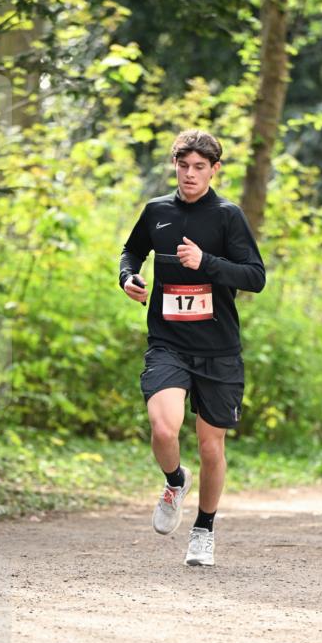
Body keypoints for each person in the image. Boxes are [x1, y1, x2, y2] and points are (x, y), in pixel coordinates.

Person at [118, 129, 266, 567]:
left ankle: (204, 528)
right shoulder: (157, 211)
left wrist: (207, 263)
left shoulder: (227, 216)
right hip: (168, 341)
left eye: (200, 167)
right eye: (183, 166)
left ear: (214, 169)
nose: (190, 174)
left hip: (218, 348)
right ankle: (174, 480)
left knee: (210, 447)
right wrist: (128, 278)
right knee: (164, 429)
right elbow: (131, 251)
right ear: (175, 166)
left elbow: (255, 276)